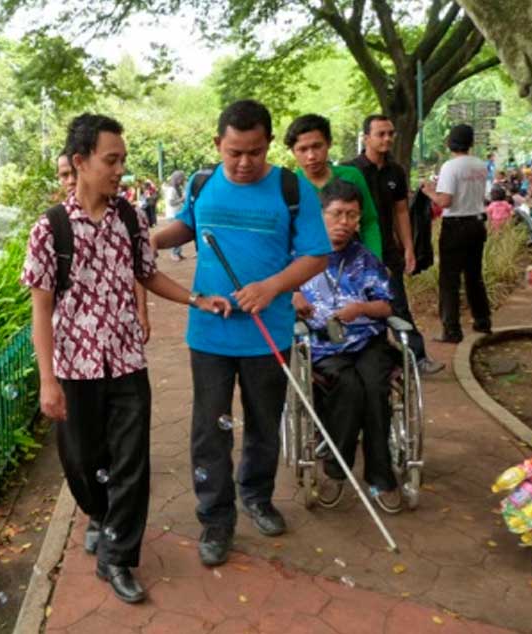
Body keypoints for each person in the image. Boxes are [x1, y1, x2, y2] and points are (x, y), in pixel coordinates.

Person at [23, 114, 231, 603]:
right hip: (76, 370)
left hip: (127, 364)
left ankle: (118, 557)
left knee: (132, 463)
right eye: (110, 160)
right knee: (80, 462)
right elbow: (42, 309)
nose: (120, 170)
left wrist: (195, 299)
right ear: (81, 161)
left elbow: (148, 275)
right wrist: (47, 381)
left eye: (122, 160)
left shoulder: (131, 219)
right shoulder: (50, 229)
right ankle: (99, 513)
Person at [152, 99, 331, 566]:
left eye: (254, 151)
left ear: (269, 144)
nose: (245, 162)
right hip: (209, 334)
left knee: (263, 424)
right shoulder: (203, 184)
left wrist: (272, 287)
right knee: (209, 430)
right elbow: (187, 226)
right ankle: (215, 517)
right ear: (218, 145)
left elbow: (316, 254)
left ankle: (256, 495)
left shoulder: (292, 190)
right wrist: (146, 238)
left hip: (268, 334)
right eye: (235, 152)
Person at [292, 179, 401, 512]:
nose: (344, 223)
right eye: (336, 214)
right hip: (323, 346)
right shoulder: (299, 257)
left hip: (368, 341)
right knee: (348, 387)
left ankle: (380, 478)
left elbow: (386, 306)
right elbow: (275, 293)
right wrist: (291, 296)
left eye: (351, 216)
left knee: (375, 387)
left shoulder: (365, 259)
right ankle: (337, 472)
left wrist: (361, 309)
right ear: (319, 215)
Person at [345, 115, 444, 375]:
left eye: (390, 133)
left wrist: (408, 247)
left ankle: (416, 357)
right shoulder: (350, 172)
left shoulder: (396, 172)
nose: (387, 138)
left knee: (397, 304)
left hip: (388, 252)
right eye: (380, 134)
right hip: (354, 252)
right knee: (359, 306)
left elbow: (401, 211)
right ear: (366, 137)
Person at [58, 152, 152, 344]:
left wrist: (142, 311)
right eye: (63, 175)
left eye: (72, 174)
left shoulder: (127, 218)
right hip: (75, 349)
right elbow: (42, 302)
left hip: (124, 347)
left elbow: (140, 273)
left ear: (82, 167)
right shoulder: (54, 225)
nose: (69, 181)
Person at [421, 124, 491, 343]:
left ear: (450, 142)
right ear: (471, 142)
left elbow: (445, 201)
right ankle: (482, 321)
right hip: (477, 223)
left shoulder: (450, 167)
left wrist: (428, 191)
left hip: (455, 225)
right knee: (474, 276)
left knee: (449, 279)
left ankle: (452, 330)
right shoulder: (480, 165)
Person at [284, 114, 383, 259]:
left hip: (350, 263)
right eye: (303, 149)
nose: (311, 156)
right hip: (305, 267)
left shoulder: (351, 176)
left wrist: (374, 262)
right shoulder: (289, 185)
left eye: (317, 146)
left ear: (329, 143)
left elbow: (369, 222)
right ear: (293, 151)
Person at [161, 170, 187, 261]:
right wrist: (181, 199)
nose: (182, 181)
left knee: (179, 235)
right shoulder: (171, 189)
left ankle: (178, 252)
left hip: (178, 213)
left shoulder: (177, 188)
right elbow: (171, 202)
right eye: (181, 179)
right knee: (175, 235)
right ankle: (174, 253)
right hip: (172, 214)